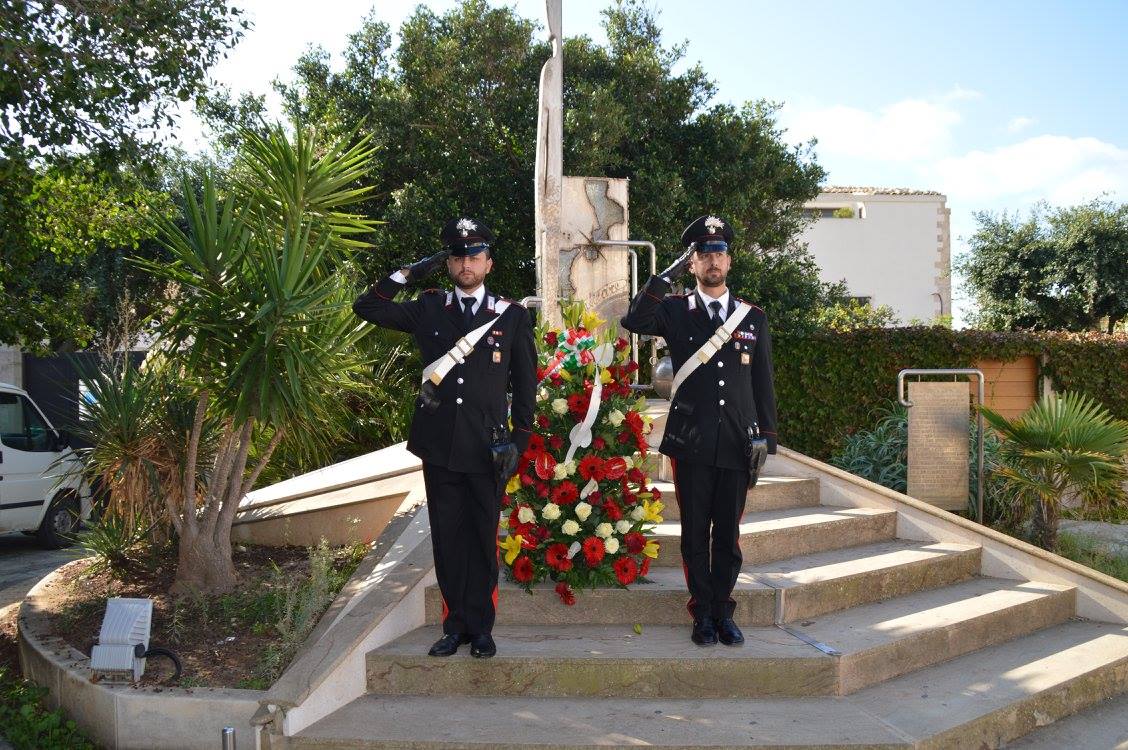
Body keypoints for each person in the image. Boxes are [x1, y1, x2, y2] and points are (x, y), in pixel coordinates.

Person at [353, 217, 536, 658]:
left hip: (489, 448)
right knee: (448, 539)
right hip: (439, 446)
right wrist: (410, 273)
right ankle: (454, 626)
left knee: (481, 539)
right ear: (448, 263)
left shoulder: (510, 316)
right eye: (457, 257)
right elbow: (367, 307)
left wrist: (520, 442)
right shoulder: (428, 306)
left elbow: (526, 385)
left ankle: (482, 627)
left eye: (474, 256)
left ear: (489, 264)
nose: (465, 264)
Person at [620, 214, 777, 647]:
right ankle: (701, 613)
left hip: (736, 443)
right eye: (704, 255)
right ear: (693, 264)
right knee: (694, 533)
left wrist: (767, 436)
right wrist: (661, 278)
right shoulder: (674, 311)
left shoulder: (752, 318)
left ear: (729, 261)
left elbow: (762, 382)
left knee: (727, 534)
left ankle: (723, 611)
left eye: (719, 253)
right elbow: (634, 320)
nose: (713, 261)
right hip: (690, 442)